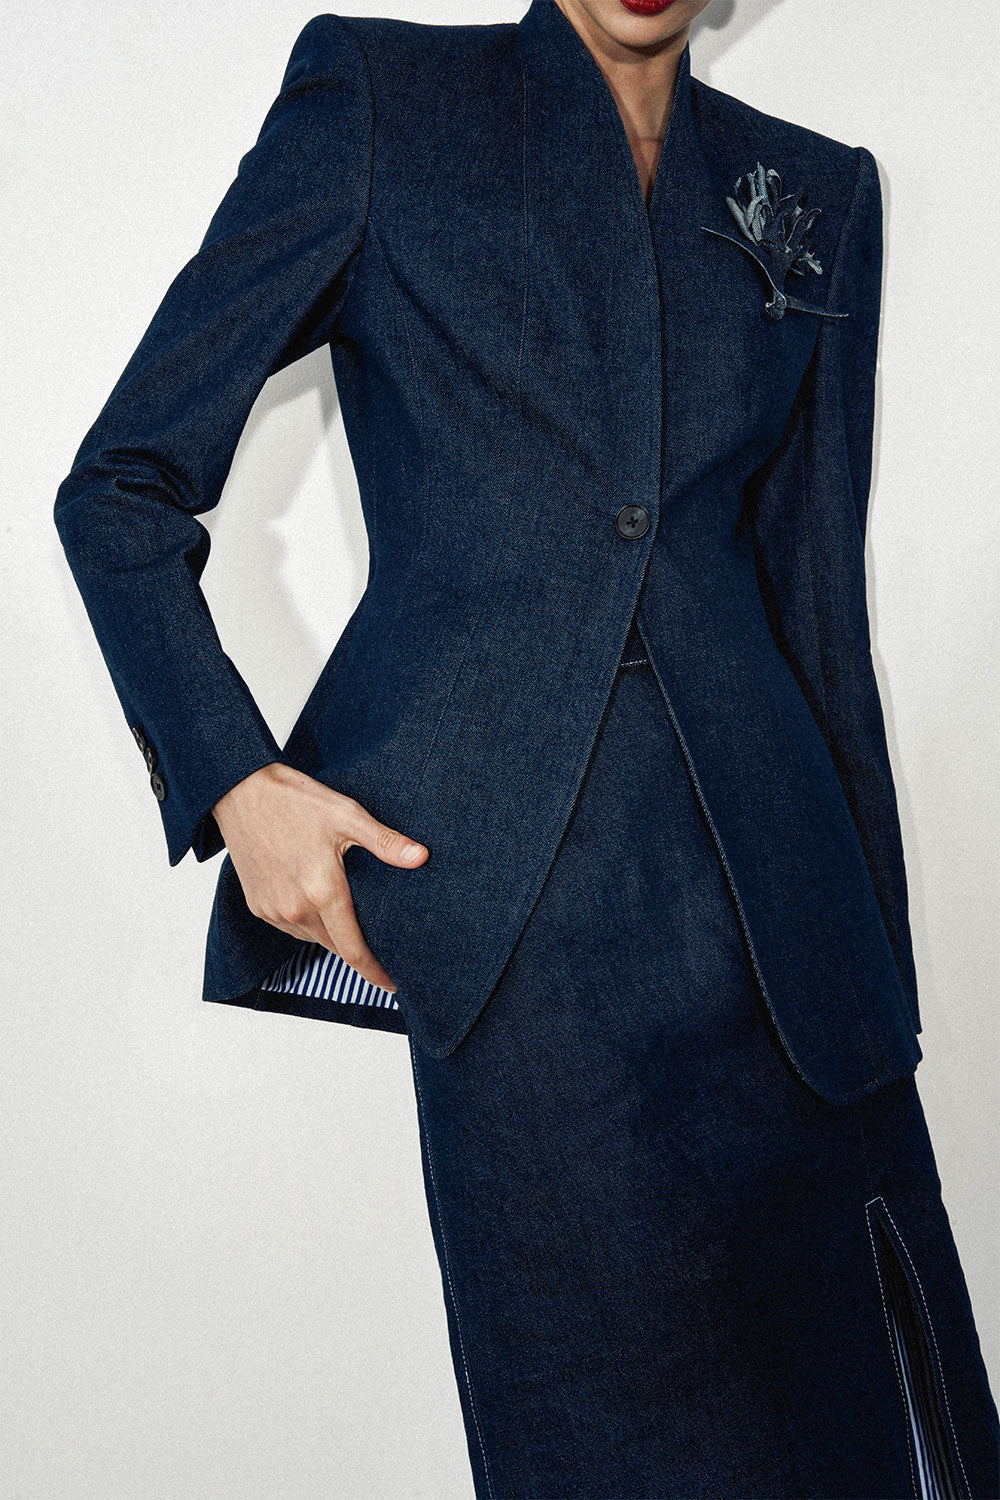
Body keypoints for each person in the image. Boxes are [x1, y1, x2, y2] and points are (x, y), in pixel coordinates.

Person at [53, 0, 999, 1494]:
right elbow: (115, 488)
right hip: (528, 935)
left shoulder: (815, 189)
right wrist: (236, 783)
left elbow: (820, 616)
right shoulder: (384, 101)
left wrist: (875, 994)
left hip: (794, 950)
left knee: (861, 1441)